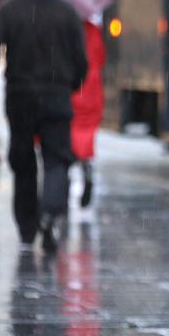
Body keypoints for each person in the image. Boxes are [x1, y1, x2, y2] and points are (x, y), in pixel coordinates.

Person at [0, 0, 87, 253]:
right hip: (57, 95)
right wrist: (72, 83)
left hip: (20, 96)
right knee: (56, 158)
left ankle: (26, 226)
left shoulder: (10, 10)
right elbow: (81, 59)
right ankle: (50, 213)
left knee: (22, 160)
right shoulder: (67, 11)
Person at [70, 19, 106, 208]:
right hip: (91, 90)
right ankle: (87, 171)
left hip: (73, 89)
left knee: (68, 139)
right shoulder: (93, 30)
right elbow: (100, 57)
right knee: (86, 139)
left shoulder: (66, 26)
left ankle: (64, 179)